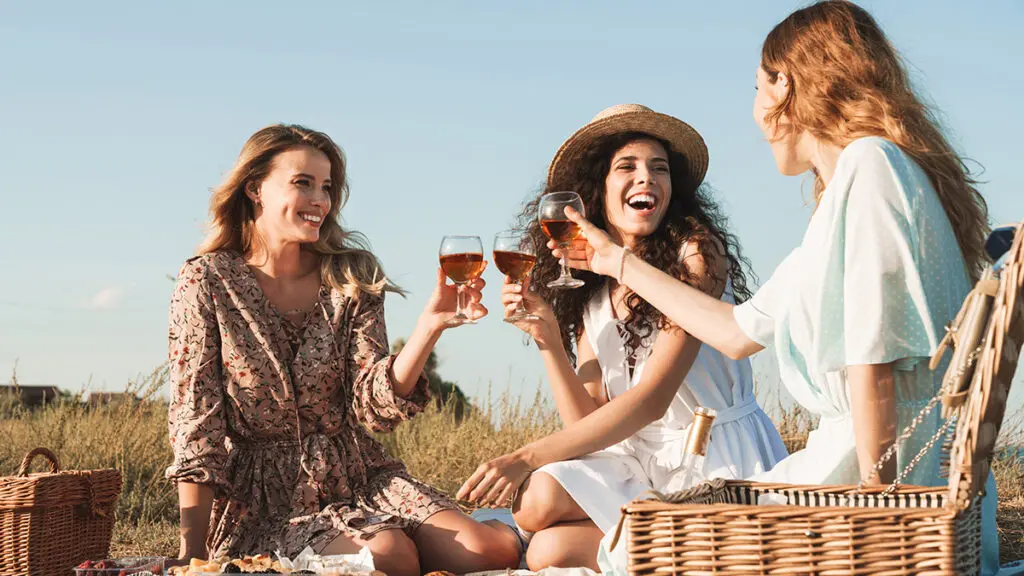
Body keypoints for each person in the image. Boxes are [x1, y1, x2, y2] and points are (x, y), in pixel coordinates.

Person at [553, 2, 1001, 572]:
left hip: (881, 486)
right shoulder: (860, 182)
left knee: (640, 552)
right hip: (889, 474)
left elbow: (873, 359)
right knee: (632, 542)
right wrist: (617, 261)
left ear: (785, 86)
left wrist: (875, 510)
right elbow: (735, 332)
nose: (757, 111)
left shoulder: (869, 169)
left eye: (758, 87)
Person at [165, 124, 521, 576]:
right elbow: (196, 423)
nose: (320, 200)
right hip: (265, 501)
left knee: (490, 552)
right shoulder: (206, 281)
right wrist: (189, 556)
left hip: (358, 475)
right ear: (255, 188)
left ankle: (492, 530)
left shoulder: (352, 275)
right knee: (389, 556)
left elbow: (372, 407)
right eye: (303, 183)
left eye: (327, 187)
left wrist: (429, 327)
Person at [457, 104, 788, 571]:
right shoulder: (591, 288)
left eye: (659, 169)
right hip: (635, 463)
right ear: (598, 191)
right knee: (536, 503)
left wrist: (524, 456)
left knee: (548, 544)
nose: (647, 178)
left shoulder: (698, 253)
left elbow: (653, 400)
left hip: (712, 457)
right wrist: (549, 340)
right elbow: (587, 427)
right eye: (627, 167)